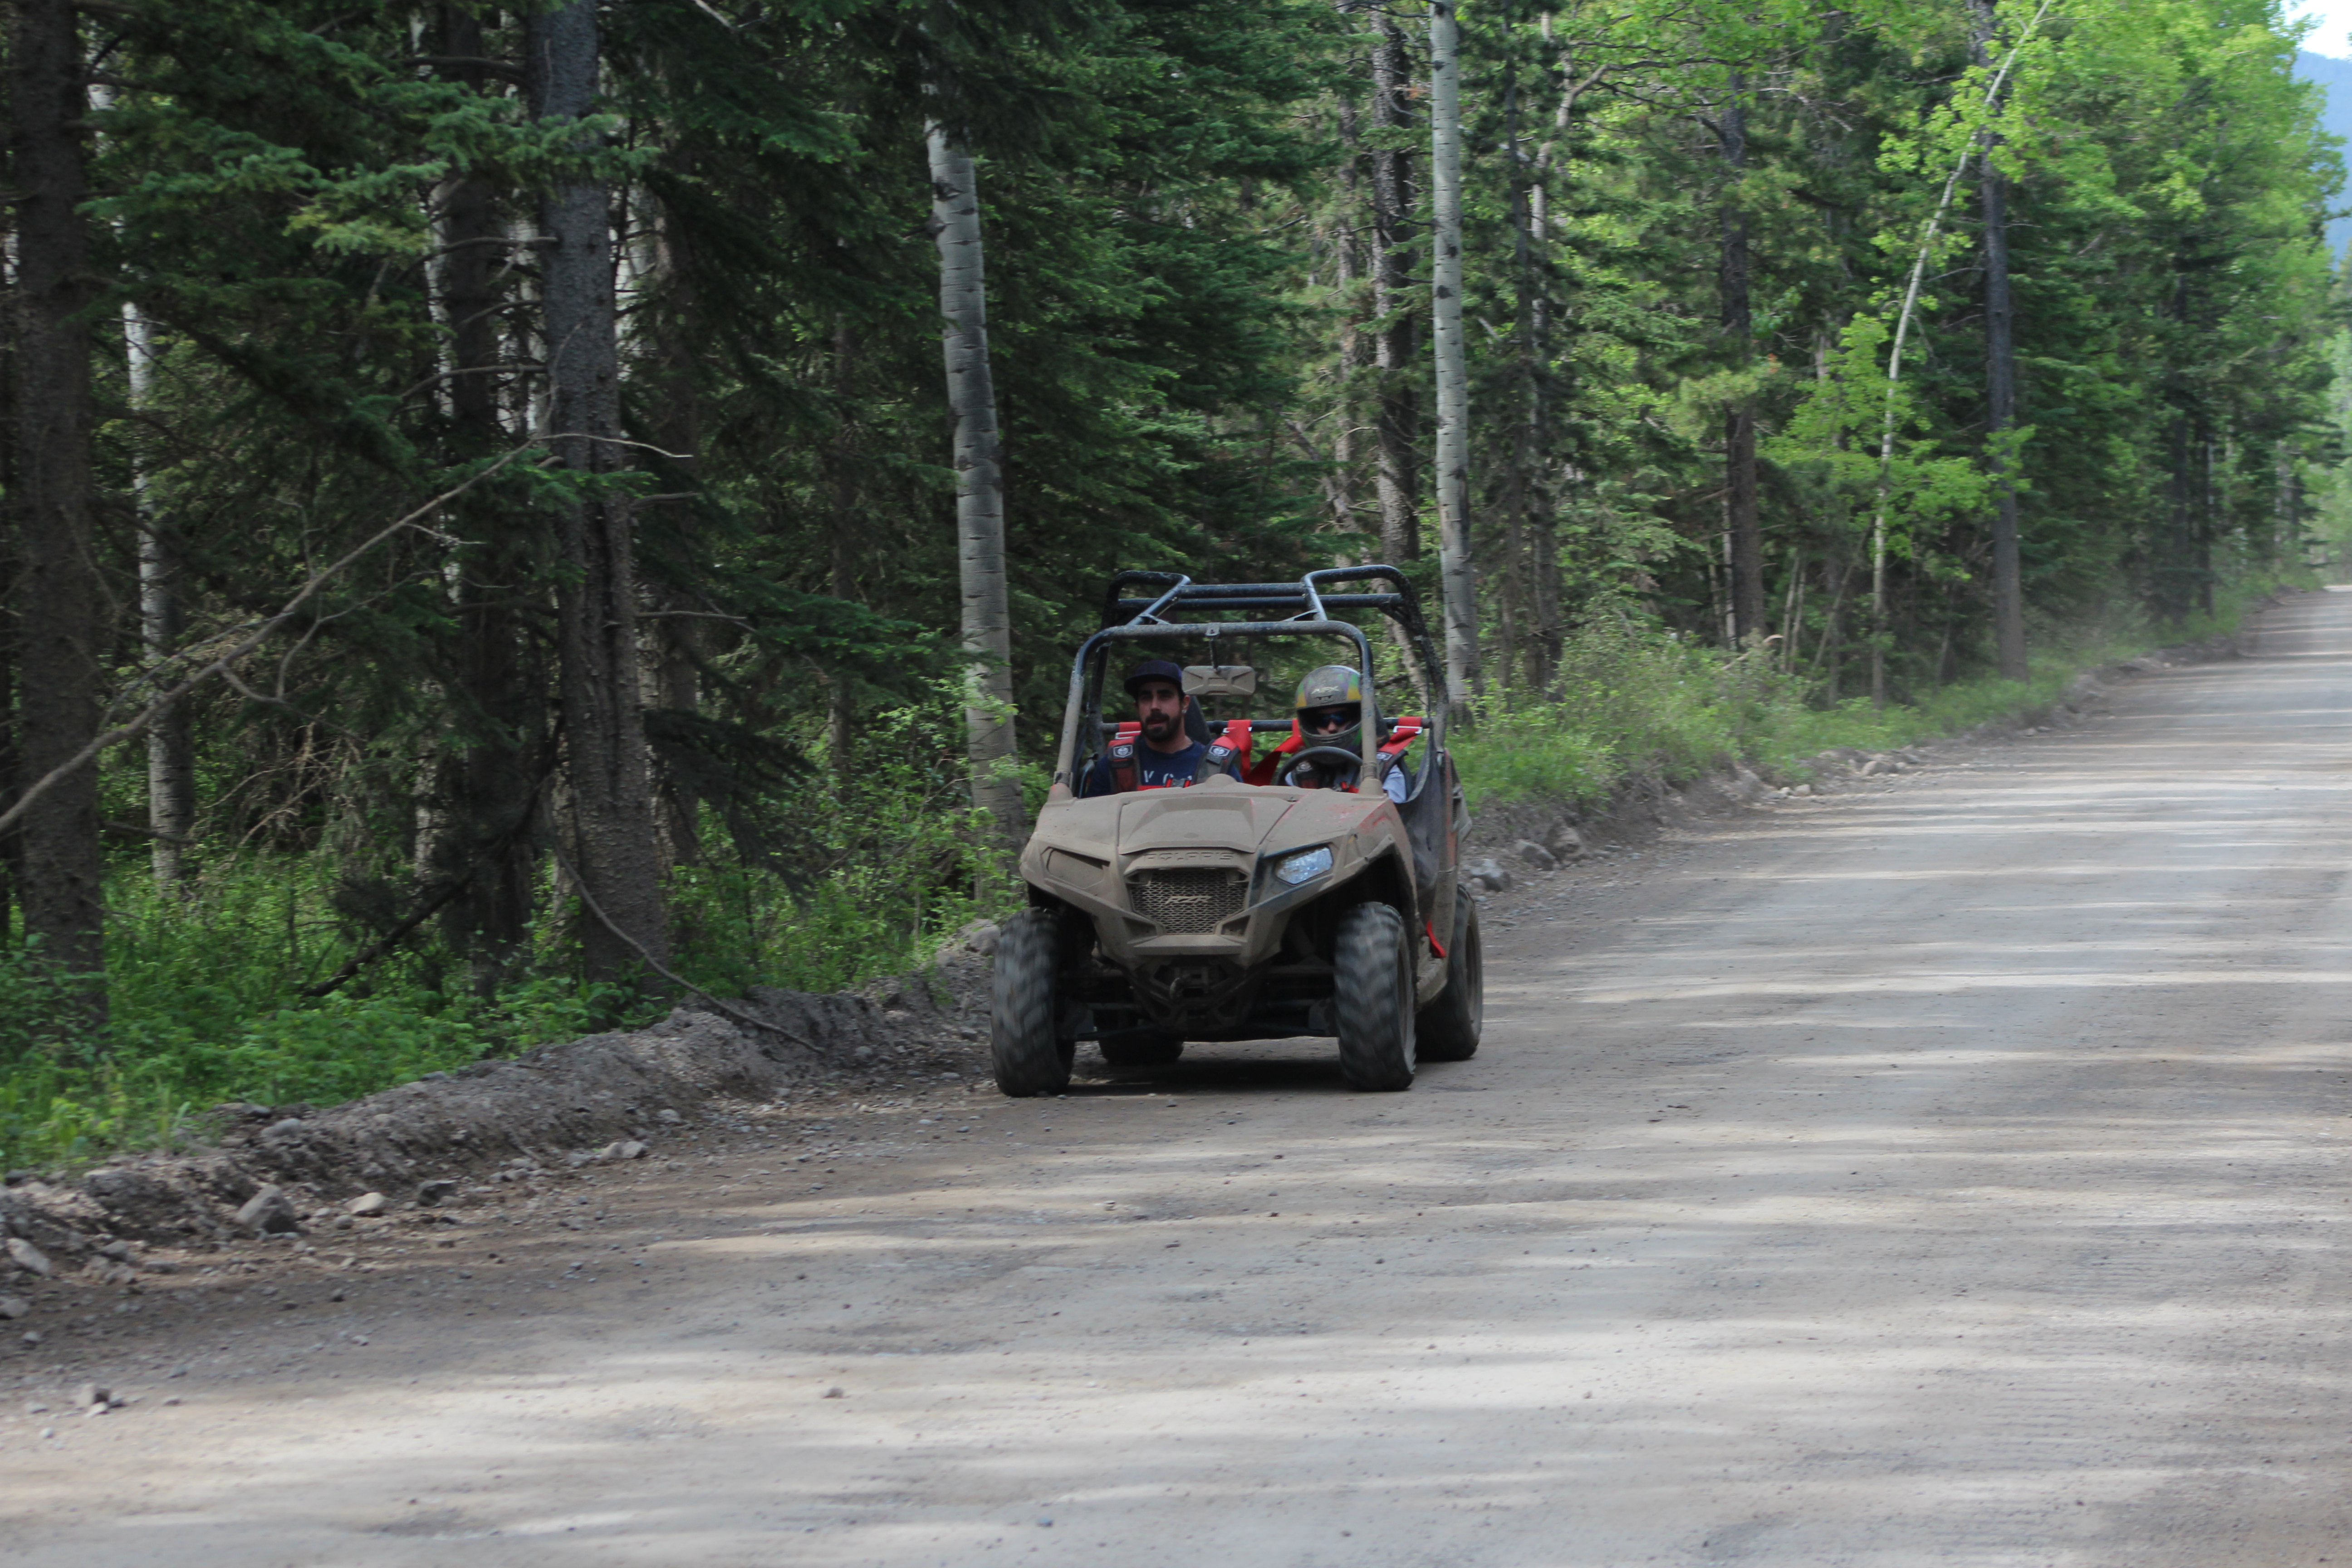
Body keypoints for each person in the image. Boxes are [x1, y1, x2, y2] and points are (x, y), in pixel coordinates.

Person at [1080, 659, 1240, 795]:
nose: (1154, 706)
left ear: (1185, 703)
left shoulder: (1217, 767)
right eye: (1146, 698)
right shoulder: (1115, 765)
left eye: (1165, 696)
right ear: (1137, 707)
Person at [1280, 665, 1410, 803]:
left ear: (1359, 718)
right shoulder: (1299, 773)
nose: (1332, 727)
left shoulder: (1384, 770)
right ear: (1310, 724)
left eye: (1340, 717)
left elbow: (1393, 819)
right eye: (1322, 720)